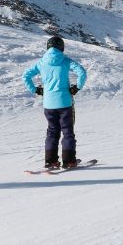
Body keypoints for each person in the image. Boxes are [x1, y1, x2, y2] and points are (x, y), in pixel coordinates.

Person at [23, 35, 87, 169]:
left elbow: (26, 76)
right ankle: (69, 161)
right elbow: (81, 72)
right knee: (67, 132)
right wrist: (77, 87)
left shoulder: (42, 62)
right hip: (65, 102)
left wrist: (36, 90)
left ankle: (50, 161)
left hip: (48, 104)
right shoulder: (65, 61)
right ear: (61, 47)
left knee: (52, 131)